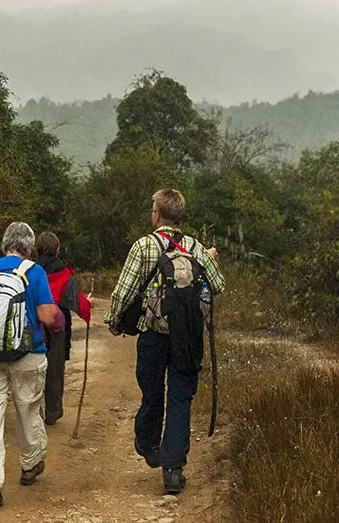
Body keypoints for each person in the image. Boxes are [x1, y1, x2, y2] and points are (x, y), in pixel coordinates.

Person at [105, 189, 225, 495]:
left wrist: (114, 322)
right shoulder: (195, 246)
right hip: (188, 335)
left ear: (157, 215)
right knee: (181, 398)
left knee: (152, 392)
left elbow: (124, 291)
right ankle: (173, 470)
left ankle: (147, 443)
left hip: (153, 333)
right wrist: (208, 261)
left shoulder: (145, 245)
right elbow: (219, 285)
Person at [0, 222, 63, 512]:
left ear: (5, 243)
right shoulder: (34, 271)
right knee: (27, 409)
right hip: (27, 355)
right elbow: (46, 316)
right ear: (29, 247)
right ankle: (30, 464)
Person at [35, 231, 90, 426]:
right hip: (58, 327)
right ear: (57, 249)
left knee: (33, 367)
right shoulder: (64, 272)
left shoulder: (32, 269)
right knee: (55, 369)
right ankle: (53, 411)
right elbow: (73, 300)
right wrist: (86, 307)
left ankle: (34, 410)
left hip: (35, 323)